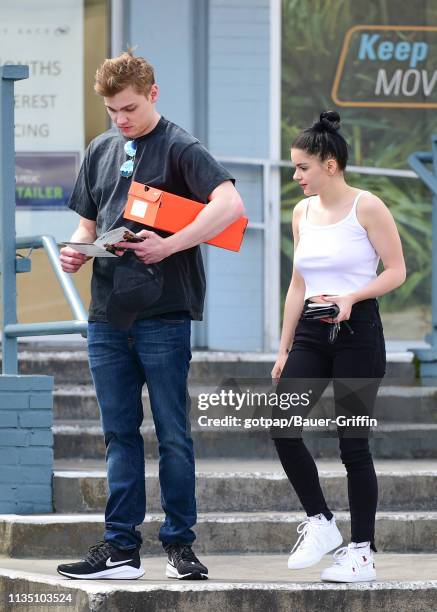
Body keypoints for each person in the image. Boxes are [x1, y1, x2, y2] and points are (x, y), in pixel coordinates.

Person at [57, 52, 244, 581]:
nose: (121, 119)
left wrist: (170, 246)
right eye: (113, 110)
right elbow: (87, 227)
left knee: (172, 434)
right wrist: (76, 252)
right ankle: (120, 550)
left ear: (154, 94)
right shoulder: (100, 149)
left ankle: (179, 547)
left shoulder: (181, 146)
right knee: (118, 435)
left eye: (130, 108)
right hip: (107, 315)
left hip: (164, 313)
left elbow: (229, 206)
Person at [271, 111, 406, 582]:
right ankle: (322, 522)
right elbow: (297, 284)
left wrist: (351, 296)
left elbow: (395, 271)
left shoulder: (367, 207)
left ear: (329, 164)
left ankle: (362, 552)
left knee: (353, 442)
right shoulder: (301, 213)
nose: (296, 176)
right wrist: (285, 347)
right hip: (311, 328)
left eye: (302, 167)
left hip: (357, 331)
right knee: (283, 427)